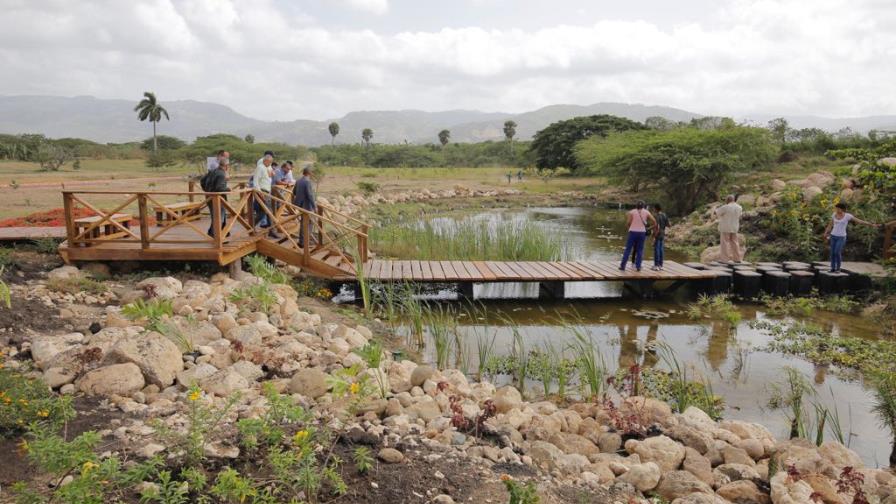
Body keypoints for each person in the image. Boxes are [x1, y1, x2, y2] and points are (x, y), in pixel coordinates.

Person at [823, 202, 879, 272]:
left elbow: (859, 221)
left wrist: (871, 224)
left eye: (838, 209)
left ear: (842, 209)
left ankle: (838, 268)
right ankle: (832, 268)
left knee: (837, 252)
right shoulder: (834, 214)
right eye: (836, 208)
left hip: (841, 237)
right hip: (833, 236)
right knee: (832, 252)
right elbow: (830, 225)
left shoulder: (847, 216)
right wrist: (826, 232)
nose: (836, 210)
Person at [619, 201, 657, 272]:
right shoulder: (647, 212)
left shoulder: (632, 212)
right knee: (640, 250)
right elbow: (655, 222)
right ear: (643, 206)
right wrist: (649, 228)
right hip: (642, 233)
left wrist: (629, 228)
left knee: (628, 249)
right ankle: (638, 267)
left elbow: (628, 223)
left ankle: (622, 266)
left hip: (632, 232)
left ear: (636, 206)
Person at [200, 157, 230, 238]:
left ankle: (212, 233)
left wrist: (206, 190)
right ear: (226, 166)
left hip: (209, 197)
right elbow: (219, 188)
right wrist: (228, 189)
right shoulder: (221, 174)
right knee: (220, 218)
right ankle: (216, 236)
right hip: (218, 199)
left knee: (215, 217)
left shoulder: (213, 171)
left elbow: (202, 180)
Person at [715, 195, 744, 262]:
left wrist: (715, 208)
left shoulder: (725, 207)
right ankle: (737, 258)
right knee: (735, 242)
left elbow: (717, 213)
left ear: (727, 200)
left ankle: (725, 259)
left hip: (725, 227)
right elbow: (740, 216)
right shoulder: (739, 207)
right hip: (734, 227)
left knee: (725, 243)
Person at [293, 165, 317, 246]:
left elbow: (294, 192)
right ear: (309, 173)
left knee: (303, 223)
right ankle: (305, 242)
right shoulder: (307, 182)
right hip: (307, 206)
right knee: (309, 223)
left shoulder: (298, 181)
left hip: (300, 205)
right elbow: (310, 195)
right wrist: (315, 206)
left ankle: (301, 241)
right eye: (312, 172)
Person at [651, 203, 670, 271]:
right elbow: (668, 225)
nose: (653, 209)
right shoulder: (664, 215)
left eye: (653, 208)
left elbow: (657, 227)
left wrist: (654, 236)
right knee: (661, 250)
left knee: (656, 250)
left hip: (658, 234)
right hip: (662, 234)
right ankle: (661, 265)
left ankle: (656, 266)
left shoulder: (656, 216)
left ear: (656, 208)